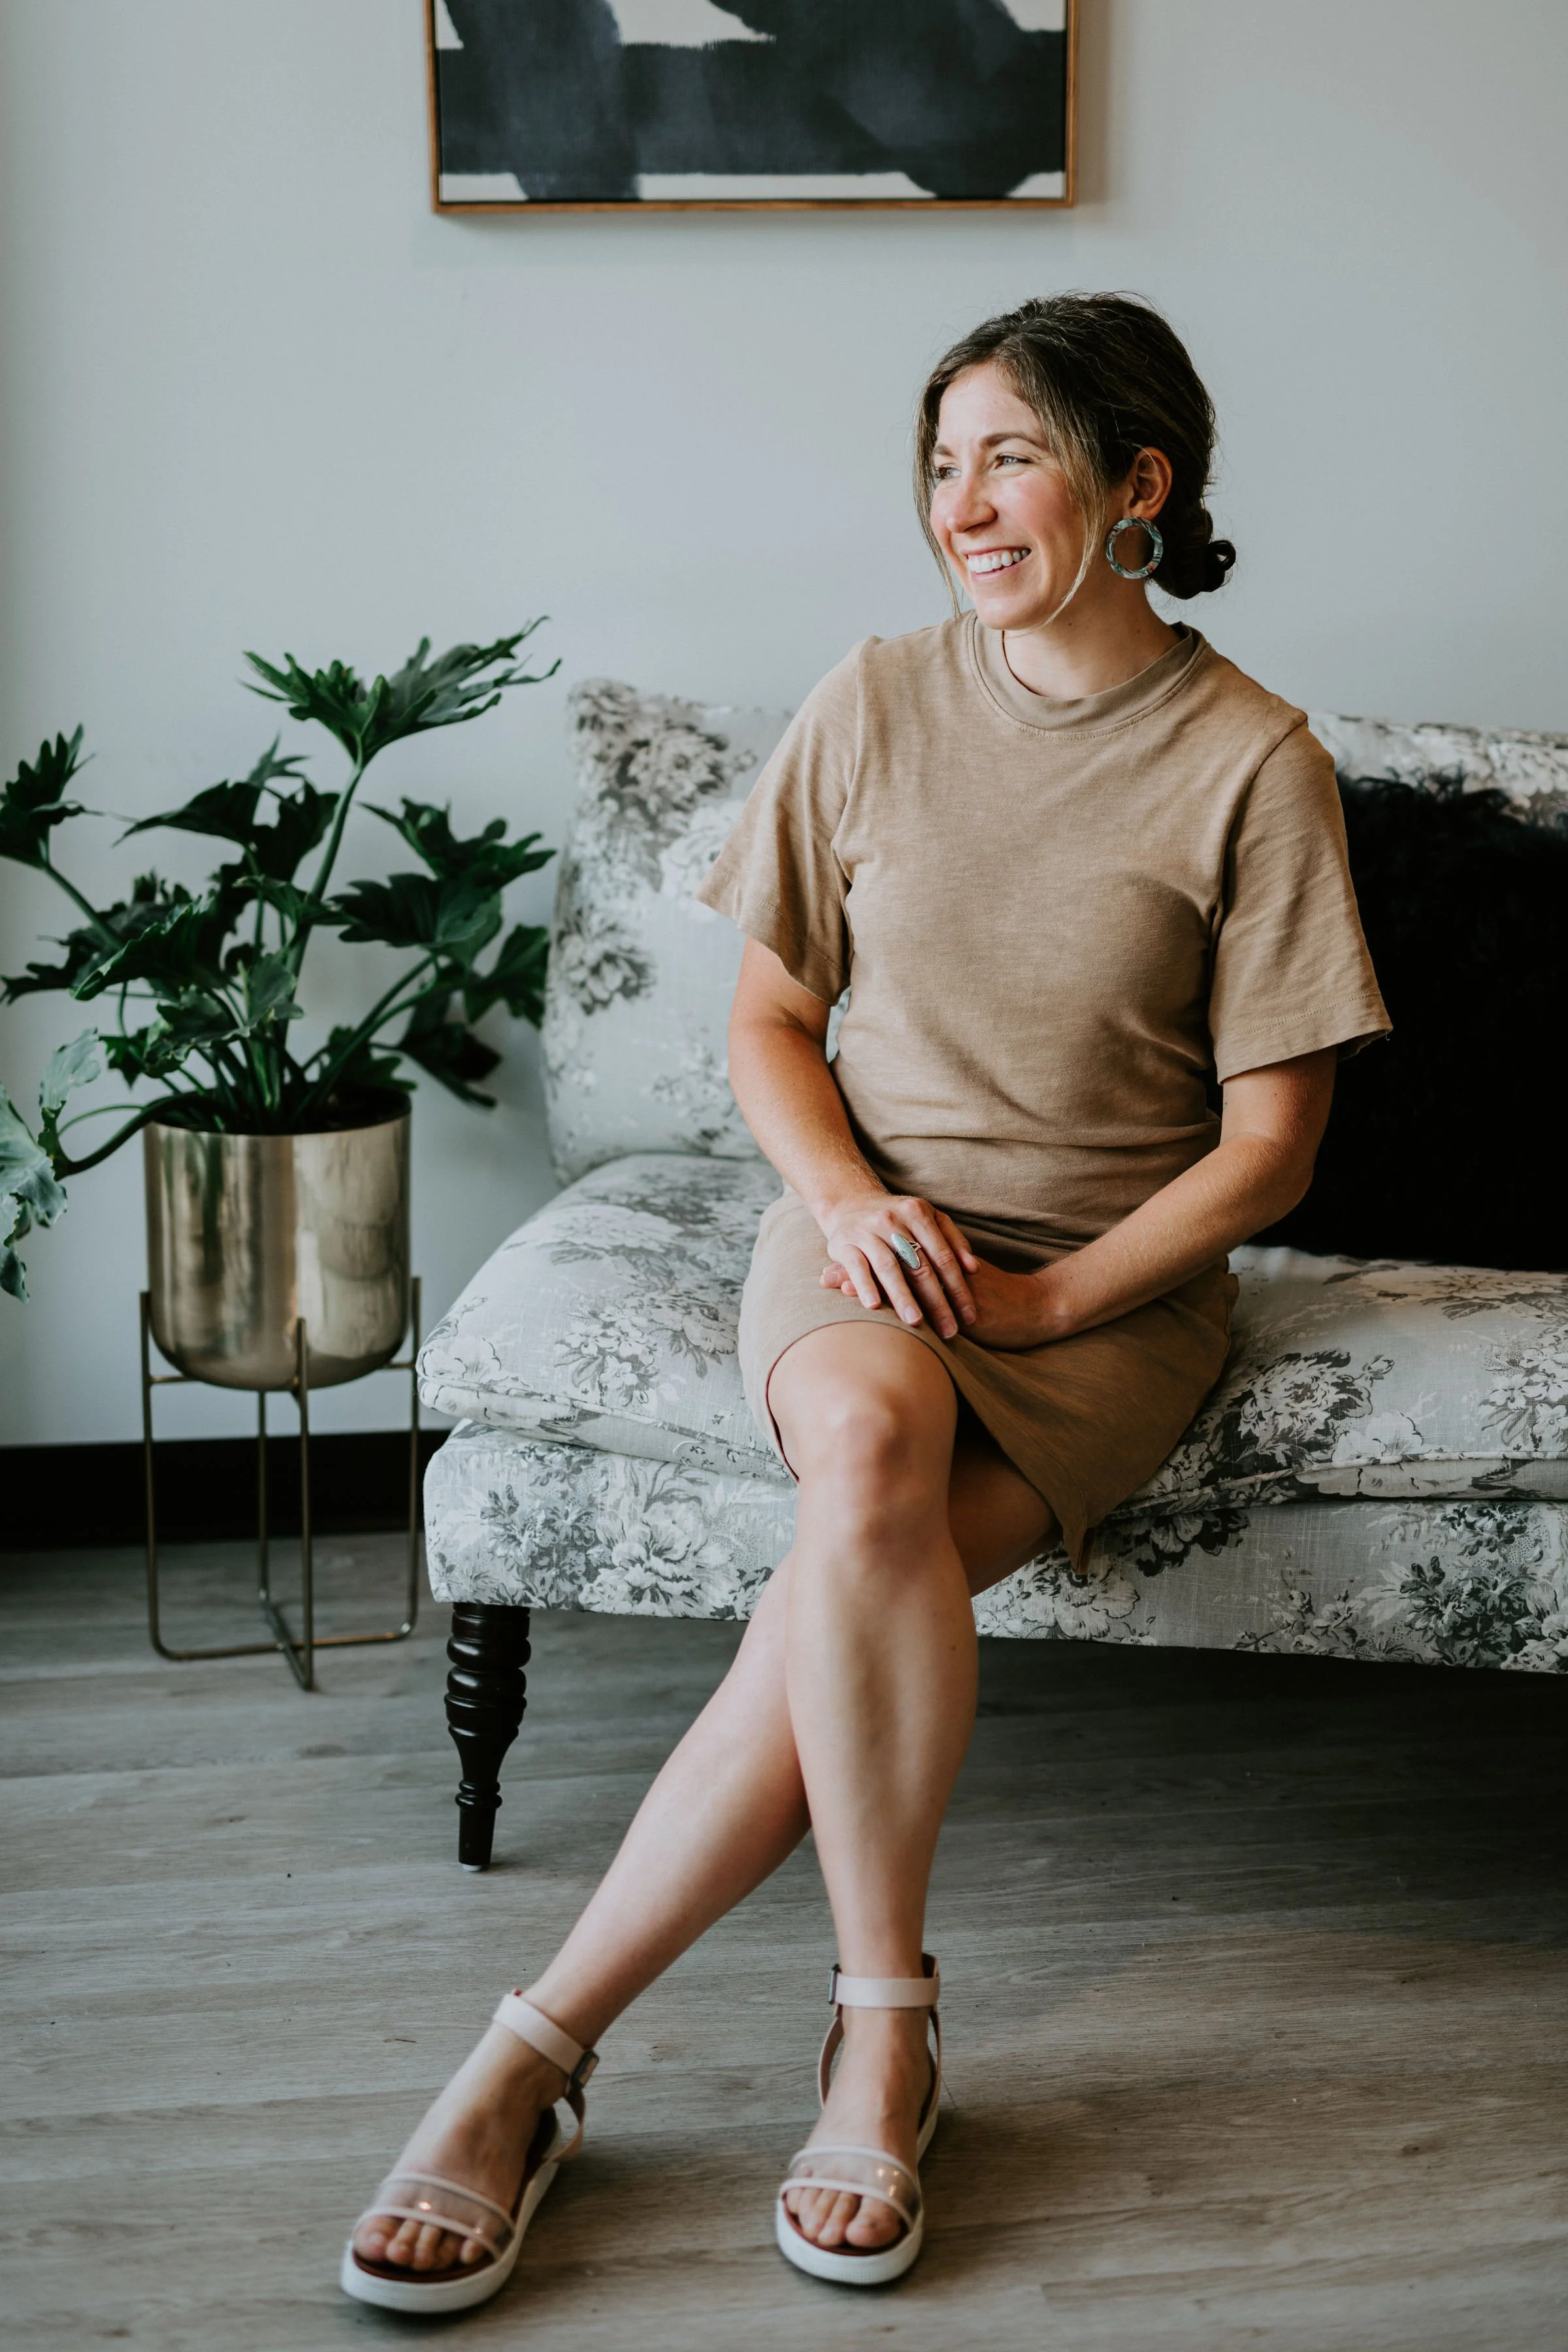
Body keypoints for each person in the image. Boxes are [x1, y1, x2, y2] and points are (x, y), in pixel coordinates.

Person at [341, 292, 1389, 2313]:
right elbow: (769, 1017)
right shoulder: (876, 697)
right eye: (939, 464)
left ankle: (531, 2061)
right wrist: (847, 1199)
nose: (959, 505)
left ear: (1135, 485)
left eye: (1005, 456)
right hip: (865, 1231)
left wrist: (1058, 1293)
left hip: (1115, 1292)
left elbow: (1270, 1151)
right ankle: (881, 2022)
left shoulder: (1258, 763)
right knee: (869, 1437)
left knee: (840, 1573)